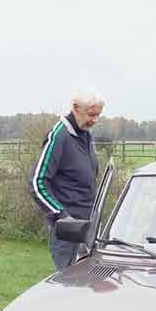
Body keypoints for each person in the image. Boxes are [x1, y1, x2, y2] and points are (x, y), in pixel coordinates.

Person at [29, 89, 104, 270]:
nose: (95, 120)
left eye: (98, 115)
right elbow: (37, 183)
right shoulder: (58, 136)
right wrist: (62, 217)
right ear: (76, 109)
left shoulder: (85, 134)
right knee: (70, 289)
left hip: (90, 228)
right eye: (91, 114)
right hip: (69, 234)